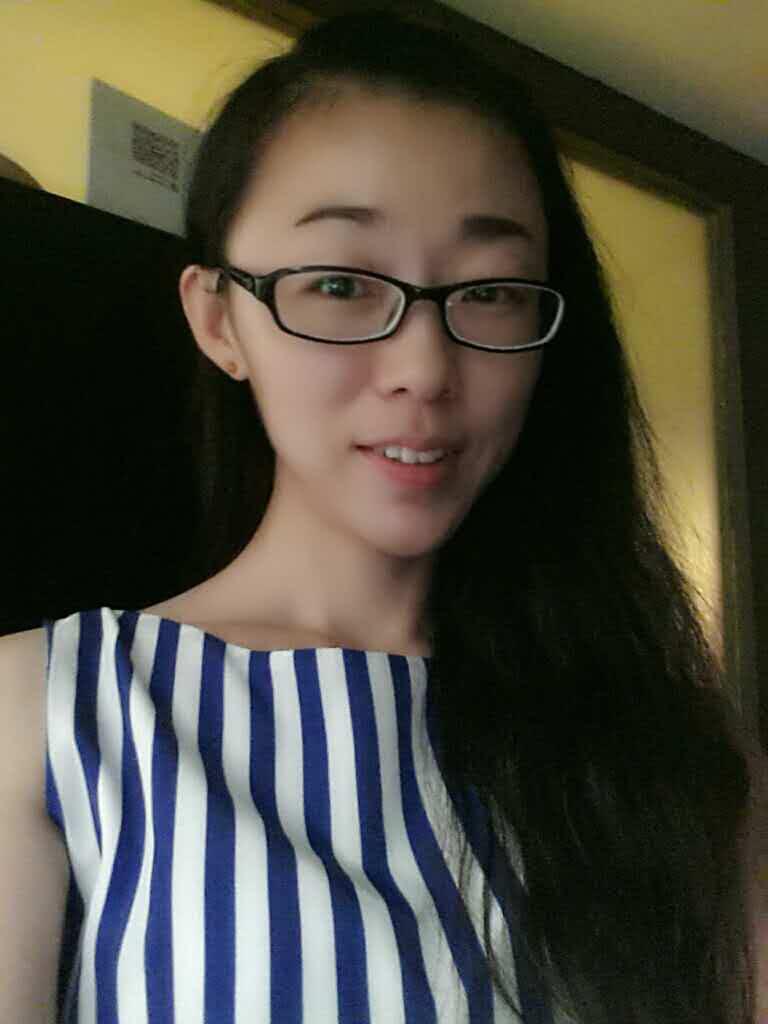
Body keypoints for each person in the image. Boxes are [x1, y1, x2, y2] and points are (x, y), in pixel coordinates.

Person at [1, 9, 764, 1024]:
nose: (424, 370)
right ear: (219, 320)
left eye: (490, 292)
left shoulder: (675, 753)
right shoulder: (49, 709)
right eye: (339, 283)